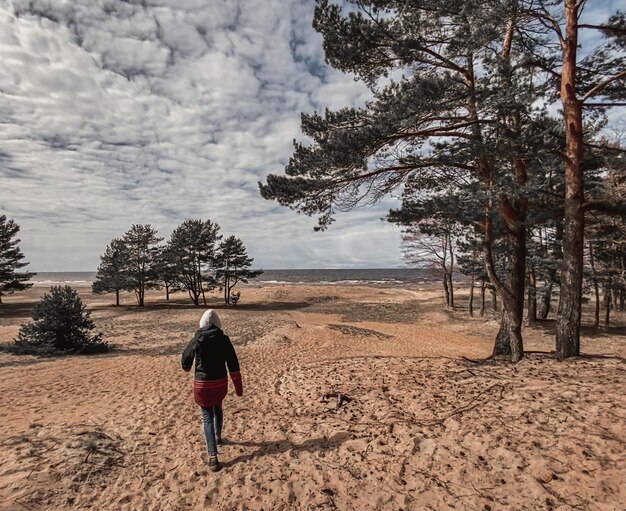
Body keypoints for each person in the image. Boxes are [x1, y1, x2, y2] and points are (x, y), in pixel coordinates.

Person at [181, 309, 243, 472]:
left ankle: (213, 457)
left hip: (202, 386)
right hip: (220, 384)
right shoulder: (224, 339)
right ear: (217, 323)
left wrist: (188, 366)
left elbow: (186, 363)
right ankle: (218, 437)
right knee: (218, 407)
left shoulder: (197, 338)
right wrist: (238, 387)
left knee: (207, 416)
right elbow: (233, 363)